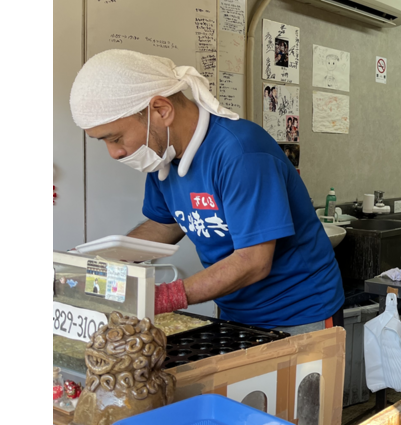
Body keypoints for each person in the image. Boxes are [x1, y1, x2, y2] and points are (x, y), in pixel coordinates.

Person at [70, 49, 344, 331]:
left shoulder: (241, 154)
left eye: (115, 138)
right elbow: (164, 227)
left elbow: (253, 262)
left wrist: (164, 297)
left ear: (161, 110)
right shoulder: (164, 158)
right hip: (234, 311)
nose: (114, 153)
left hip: (300, 313)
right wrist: (96, 264)